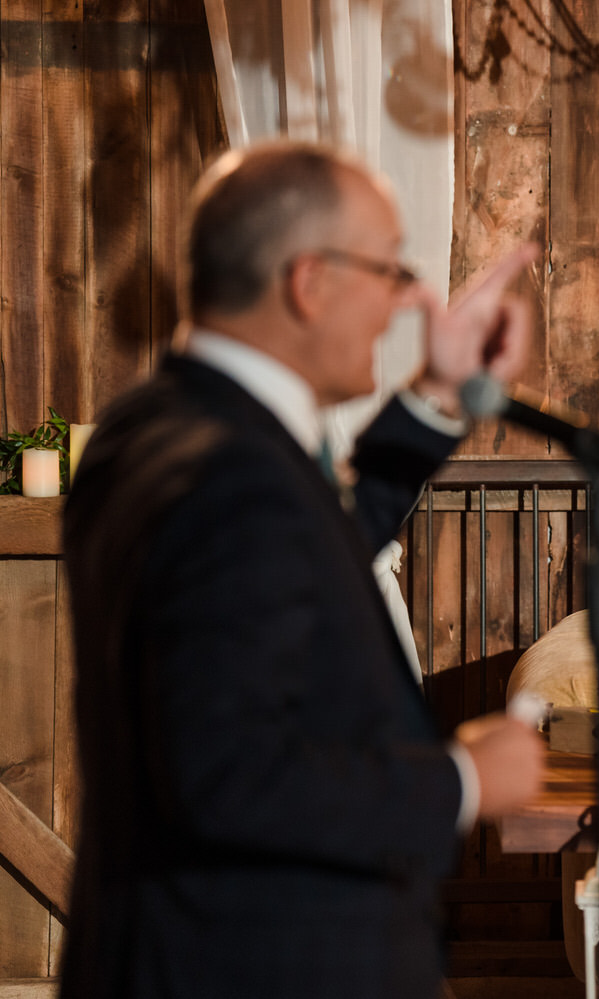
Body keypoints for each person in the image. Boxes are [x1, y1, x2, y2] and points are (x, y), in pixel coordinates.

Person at [60, 141, 546, 999]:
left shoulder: (156, 428)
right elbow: (230, 775)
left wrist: (436, 398)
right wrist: (462, 781)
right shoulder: (229, 471)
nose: (402, 303)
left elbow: (299, 557)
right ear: (309, 281)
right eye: (390, 271)